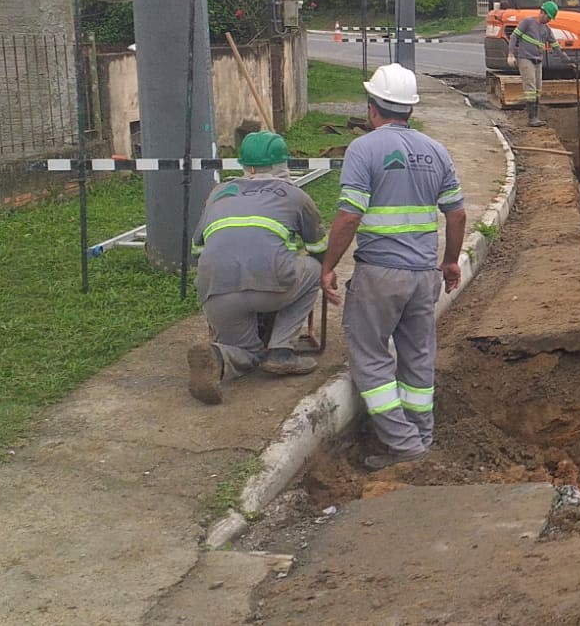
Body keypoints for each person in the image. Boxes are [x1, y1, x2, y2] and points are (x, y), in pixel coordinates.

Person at [320, 63, 467, 470]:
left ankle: (405, 447)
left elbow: (349, 215)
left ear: (372, 109)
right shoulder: (436, 151)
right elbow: (456, 214)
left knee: (369, 356)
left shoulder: (363, 150)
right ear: (410, 109)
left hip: (379, 274)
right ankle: (421, 435)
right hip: (424, 277)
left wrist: (328, 265)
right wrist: (450, 261)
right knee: (418, 356)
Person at [187, 131, 325, 405]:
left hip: (216, 291)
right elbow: (319, 248)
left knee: (247, 351)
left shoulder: (218, 193)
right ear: (283, 163)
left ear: (245, 165)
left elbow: (196, 252)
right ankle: (281, 350)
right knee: (312, 269)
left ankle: (219, 357)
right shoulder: (295, 195)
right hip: (271, 288)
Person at [506, 1, 561, 127]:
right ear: (542, 12)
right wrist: (510, 54)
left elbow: (555, 46)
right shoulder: (528, 22)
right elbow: (514, 37)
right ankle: (532, 118)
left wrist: (568, 60)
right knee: (530, 88)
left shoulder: (546, 29)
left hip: (537, 60)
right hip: (525, 59)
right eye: (548, 17)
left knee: (537, 89)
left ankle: (535, 116)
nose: (549, 21)